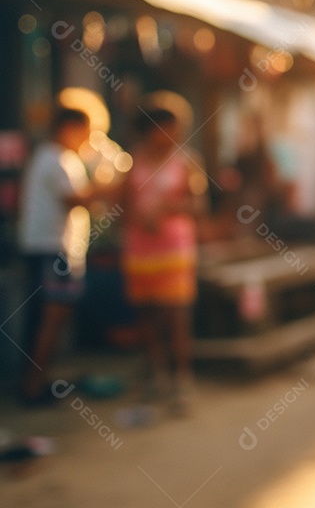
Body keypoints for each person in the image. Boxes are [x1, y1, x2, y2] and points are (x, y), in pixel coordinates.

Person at [120, 104, 205, 416]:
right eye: (164, 128)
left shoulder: (187, 163)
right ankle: (157, 373)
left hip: (175, 248)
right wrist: (139, 218)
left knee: (176, 313)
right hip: (141, 249)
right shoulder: (132, 162)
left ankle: (182, 377)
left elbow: (199, 207)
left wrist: (170, 208)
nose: (170, 135)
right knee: (146, 313)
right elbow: (121, 205)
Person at [18, 107, 93, 405]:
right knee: (52, 317)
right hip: (53, 249)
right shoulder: (55, 159)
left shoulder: (52, 157)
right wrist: (115, 187)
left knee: (46, 318)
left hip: (48, 248)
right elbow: (75, 199)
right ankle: (33, 386)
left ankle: (35, 382)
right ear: (70, 128)